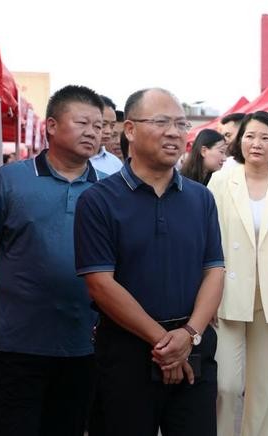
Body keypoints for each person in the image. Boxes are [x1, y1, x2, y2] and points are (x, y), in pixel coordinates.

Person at [0, 85, 105, 436]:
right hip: (19, 343)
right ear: (50, 125)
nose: (93, 132)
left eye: (98, 125)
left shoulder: (108, 189)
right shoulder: (11, 180)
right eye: (82, 122)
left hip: (84, 343)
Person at [75, 88, 224, 436]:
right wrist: (164, 343)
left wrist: (189, 335)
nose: (174, 132)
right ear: (129, 129)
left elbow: (214, 269)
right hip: (127, 350)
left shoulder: (201, 198)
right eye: (161, 122)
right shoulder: (98, 201)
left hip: (194, 344)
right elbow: (99, 282)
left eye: (180, 124)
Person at [208, 111, 268, 436]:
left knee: (262, 389)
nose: (257, 143)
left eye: (266, 137)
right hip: (227, 295)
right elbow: (207, 240)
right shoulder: (221, 180)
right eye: (250, 136)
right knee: (226, 384)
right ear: (239, 141)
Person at [90, 95, 124, 175]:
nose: (108, 131)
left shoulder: (116, 164)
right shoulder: (73, 159)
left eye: (112, 126)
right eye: (103, 124)